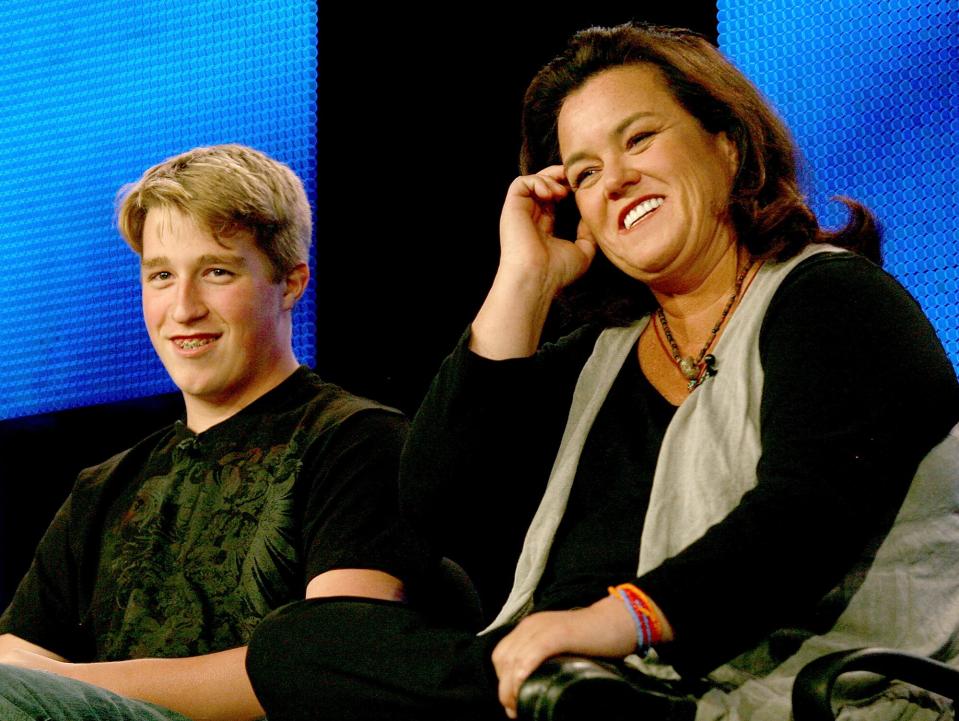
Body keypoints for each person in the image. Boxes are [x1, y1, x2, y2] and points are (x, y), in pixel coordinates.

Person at [244, 23, 959, 721]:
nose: (614, 179)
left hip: (794, 688)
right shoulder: (598, 358)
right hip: (572, 680)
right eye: (584, 171)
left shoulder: (835, 299)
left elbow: (802, 520)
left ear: (728, 145)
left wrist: (618, 621)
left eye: (638, 138)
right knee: (299, 642)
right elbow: (438, 505)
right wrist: (523, 282)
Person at [0, 144, 427, 721]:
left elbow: (335, 667)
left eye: (216, 272)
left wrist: (74, 686)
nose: (183, 308)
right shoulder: (104, 487)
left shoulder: (358, 441)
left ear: (291, 282)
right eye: (161, 276)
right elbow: (17, 652)